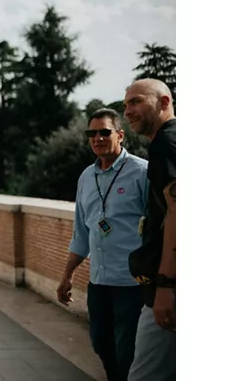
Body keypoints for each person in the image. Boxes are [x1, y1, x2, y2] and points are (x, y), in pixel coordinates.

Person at [57, 108, 148, 381]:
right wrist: (67, 275)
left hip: (133, 283)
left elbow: (161, 227)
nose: (97, 138)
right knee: (100, 344)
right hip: (99, 282)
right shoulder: (87, 177)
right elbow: (81, 233)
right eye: (91, 133)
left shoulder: (142, 172)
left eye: (104, 132)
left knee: (128, 350)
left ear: (120, 135)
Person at [123, 79, 176, 381]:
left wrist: (166, 286)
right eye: (126, 104)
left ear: (164, 103)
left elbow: (177, 212)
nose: (128, 110)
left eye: (136, 102)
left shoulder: (166, 144)